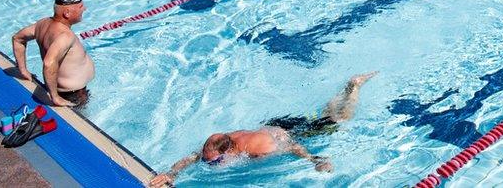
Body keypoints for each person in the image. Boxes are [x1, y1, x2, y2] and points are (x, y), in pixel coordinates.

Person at [149, 72, 377, 187]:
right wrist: (171, 173)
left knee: (340, 120)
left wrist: (315, 160)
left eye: (214, 162)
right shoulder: (217, 144)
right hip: (276, 124)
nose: (210, 165)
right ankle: (346, 88)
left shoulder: (259, 148)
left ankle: (354, 86)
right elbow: (193, 157)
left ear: (228, 152)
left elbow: (291, 146)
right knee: (327, 115)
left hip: (288, 133)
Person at [11, 0, 95, 107]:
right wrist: (55, 97)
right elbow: (49, 63)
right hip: (73, 95)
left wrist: (23, 70)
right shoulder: (65, 36)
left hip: (68, 91)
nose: (84, 9)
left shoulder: (43, 23)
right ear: (67, 13)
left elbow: (17, 39)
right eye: (80, 7)